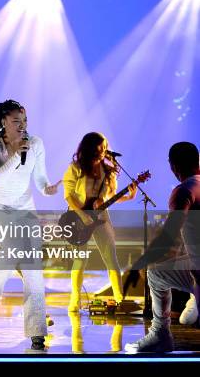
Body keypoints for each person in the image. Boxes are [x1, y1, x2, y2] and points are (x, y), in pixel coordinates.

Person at [0, 99, 60, 350]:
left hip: (24, 209)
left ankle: (37, 333)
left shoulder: (36, 143)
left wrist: (48, 189)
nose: (22, 126)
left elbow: (40, 178)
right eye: (16, 121)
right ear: (3, 123)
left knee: (33, 271)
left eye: (25, 121)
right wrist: (17, 153)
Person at [124, 142, 200, 353]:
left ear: (173, 166)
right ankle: (194, 298)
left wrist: (138, 264)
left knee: (155, 273)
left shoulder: (184, 190)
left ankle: (160, 335)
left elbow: (168, 237)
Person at [63, 132, 137, 312]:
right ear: (90, 148)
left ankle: (120, 298)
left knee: (111, 257)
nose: (104, 150)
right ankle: (75, 299)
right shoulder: (76, 168)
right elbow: (69, 196)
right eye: (100, 147)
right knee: (80, 260)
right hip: (78, 217)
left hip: (101, 217)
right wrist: (82, 215)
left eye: (105, 147)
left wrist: (130, 196)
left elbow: (110, 197)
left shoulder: (108, 170)